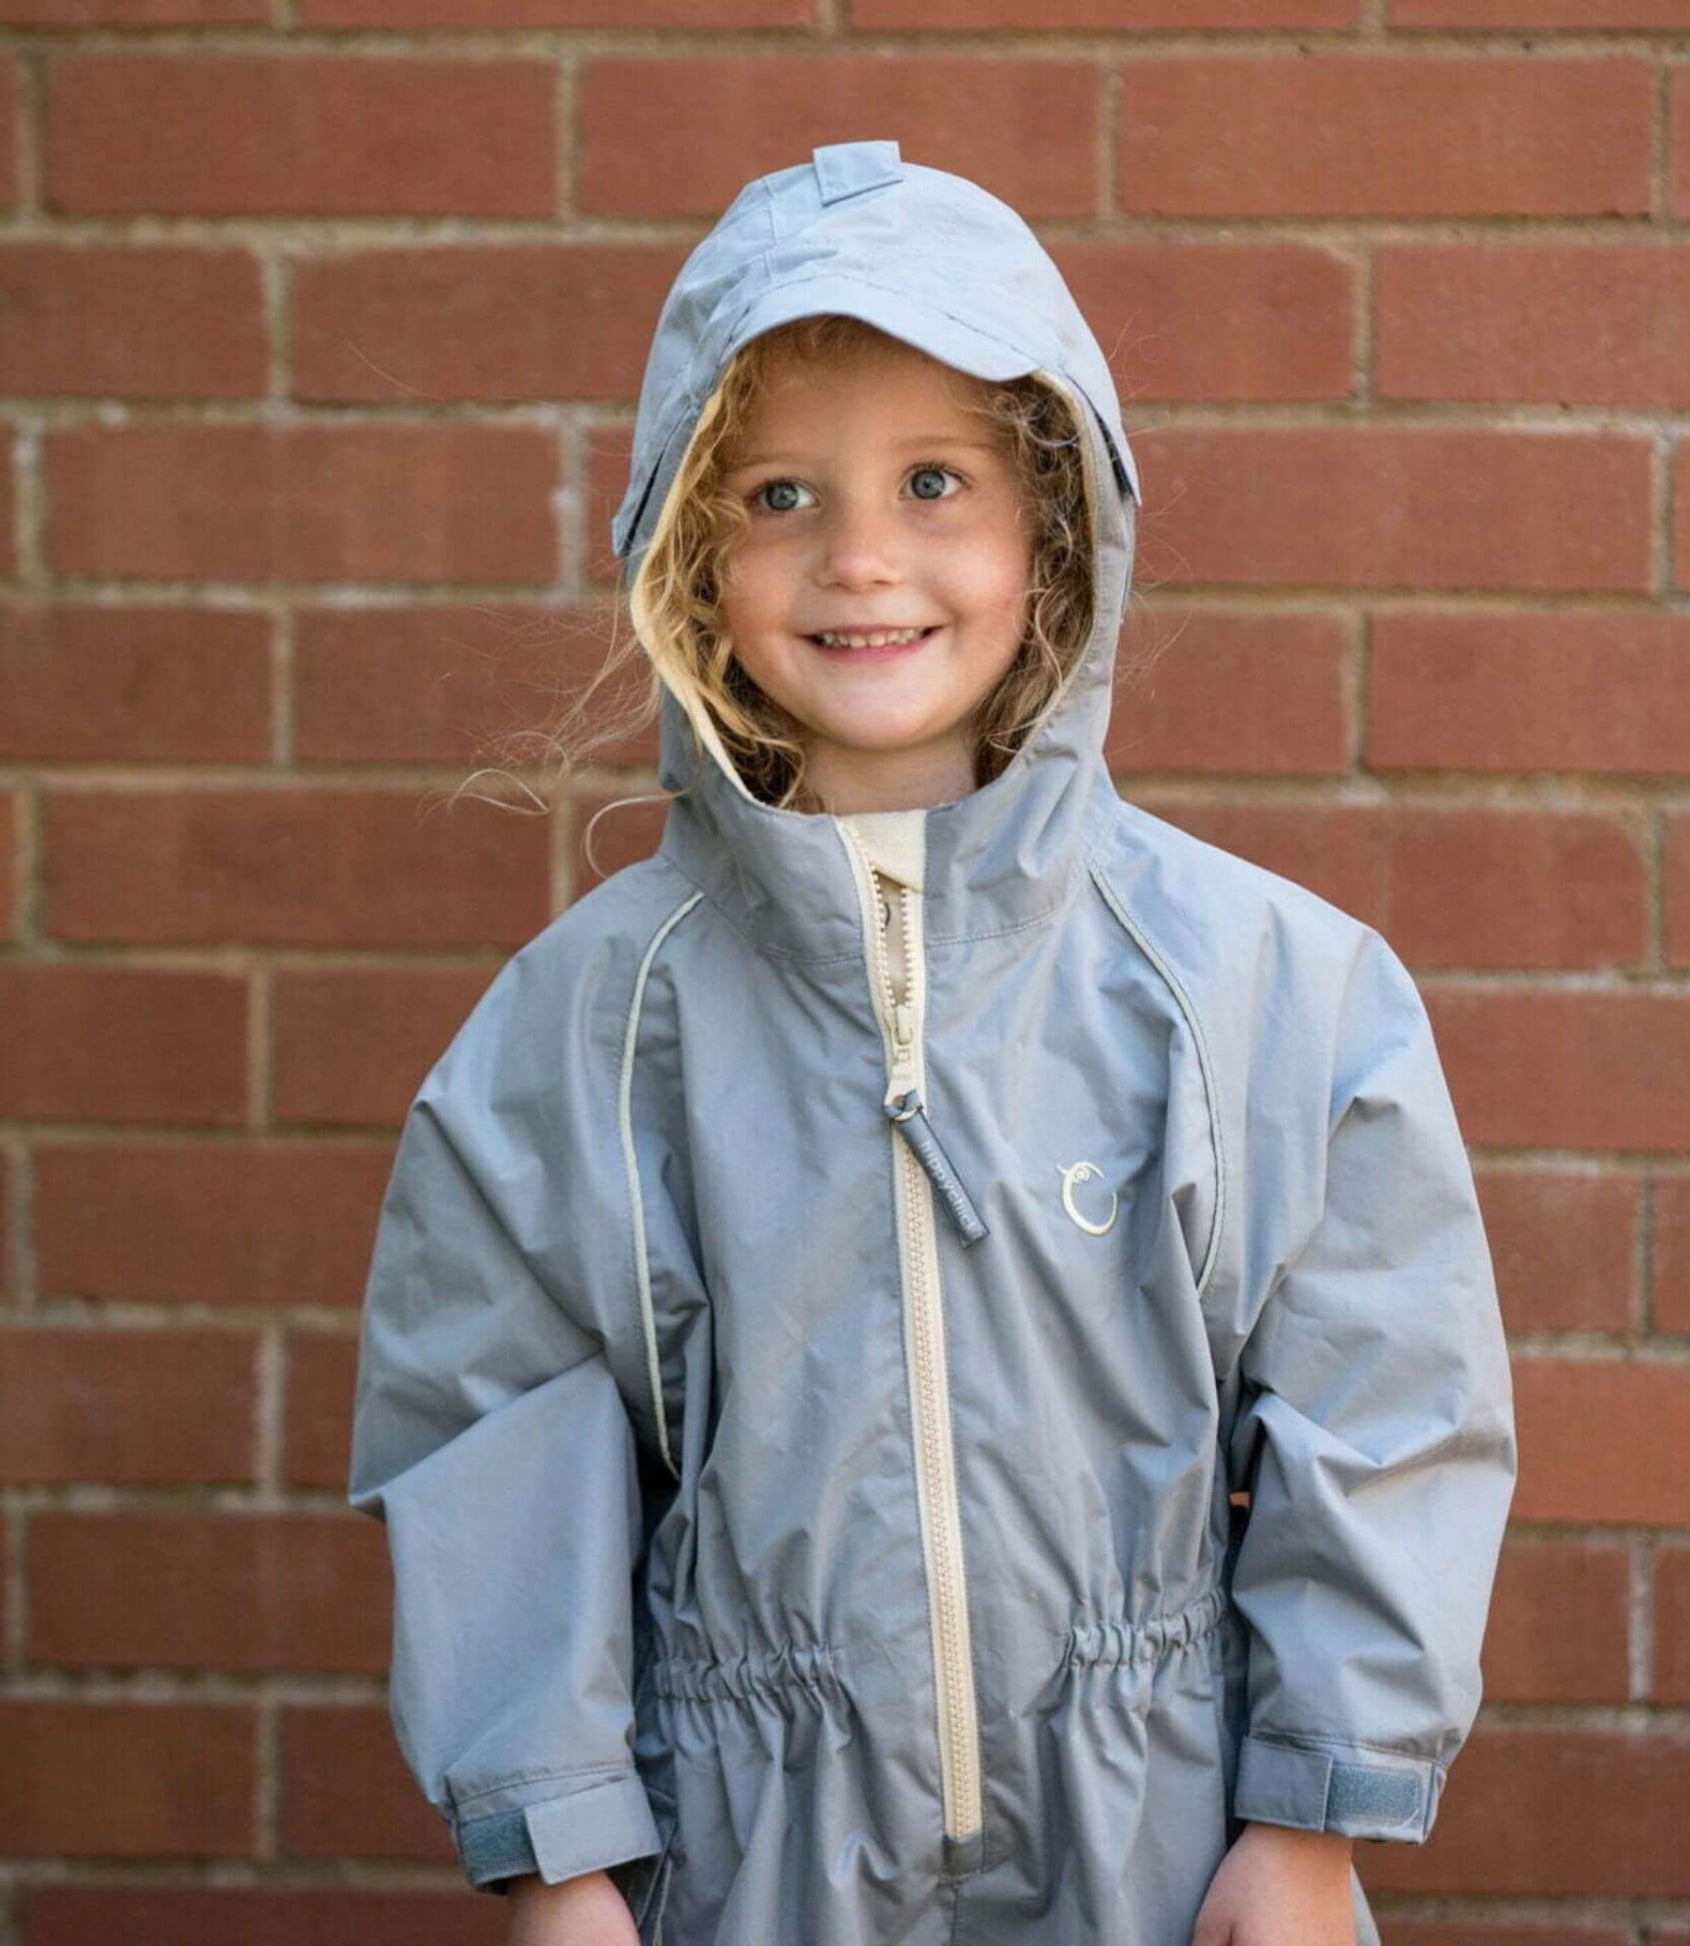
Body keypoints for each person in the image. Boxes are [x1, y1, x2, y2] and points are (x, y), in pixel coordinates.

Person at [345, 139, 1518, 1946]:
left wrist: (1315, 1808)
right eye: (780, 497)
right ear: (686, 548)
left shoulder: (1264, 983)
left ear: (1050, 520)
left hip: (1170, 1839)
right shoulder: (589, 1022)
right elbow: (497, 1420)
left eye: (931, 480)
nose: (864, 557)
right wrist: (559, 1845)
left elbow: (1382, 1395)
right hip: (745, 1863)